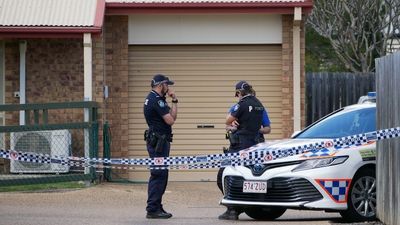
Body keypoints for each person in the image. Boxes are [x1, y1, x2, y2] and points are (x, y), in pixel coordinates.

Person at [218, 80, 266, 220]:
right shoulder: (259, 104)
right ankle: (243, 206)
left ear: (239, 92)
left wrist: (233, 123)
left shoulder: (242, 104)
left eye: (237, 94)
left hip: (239, 147)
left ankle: (233, 209)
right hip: (254, 147)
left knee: (225, 175)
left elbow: (228, 120)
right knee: (247, 176)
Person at [143, 74, 178, 219]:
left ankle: (157, 205)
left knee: (161, 174)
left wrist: (174, 100)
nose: (168, 87)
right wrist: (172, 101)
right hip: (158, 143)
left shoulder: (157, 99)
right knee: (158, 175)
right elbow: (170, 121)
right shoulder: (156, 100)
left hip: (160, 142)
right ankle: (152, 208)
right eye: (167, 85)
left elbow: (173, 117)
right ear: (160, 85)